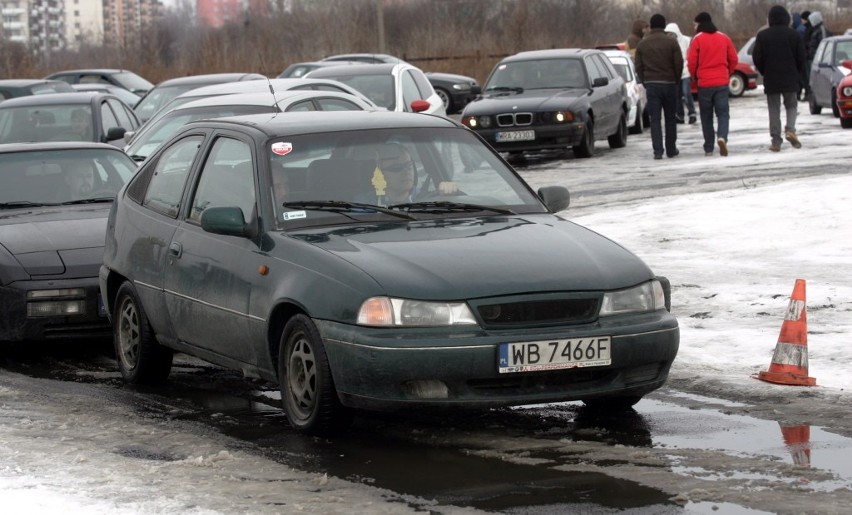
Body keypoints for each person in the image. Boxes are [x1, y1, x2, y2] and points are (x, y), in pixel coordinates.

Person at [752, 5, 806, 152]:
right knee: (791, 105)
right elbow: (802, 57)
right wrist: (797, 73)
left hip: (771, 77)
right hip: (790, 77)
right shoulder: (794, 35)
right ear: (786, 19)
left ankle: (776, 140)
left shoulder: (763, 36)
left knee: (774, 108)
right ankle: (790, 130)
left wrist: (765, 71)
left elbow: (757, 57)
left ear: (770, 19)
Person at [688, 11, 738, 157]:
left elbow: (692, 62)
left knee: (706, 115)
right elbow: (733, 58)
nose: (694, 27)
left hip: (704, 83)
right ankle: (722, 137)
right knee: (723, 113)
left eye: (695, 24)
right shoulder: (724, 38)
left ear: (700, 24)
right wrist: (727, 72)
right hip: (721, 81)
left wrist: (695, 76)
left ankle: (709, 147)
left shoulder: (697, 39)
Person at [635, 14, 684, 160]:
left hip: (652, 86)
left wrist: (645, 81)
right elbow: (679, 63)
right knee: (670, 118)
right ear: (664, 25)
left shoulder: (643, 44)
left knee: (654, 119)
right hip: (669, 84)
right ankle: (671, 149)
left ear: (651, 25)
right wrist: (675, 79)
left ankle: (658, 151)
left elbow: (638, 66)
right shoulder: (672, 42)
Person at [665, 22, 697, 124]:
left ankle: (692, 113)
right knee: (677, 95)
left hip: (686, 71)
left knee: (686, 93)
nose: (669, 36)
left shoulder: (687, 41)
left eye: (671, 33)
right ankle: (680, 115)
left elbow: (690, 55)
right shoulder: (669, 44)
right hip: (675, 73)